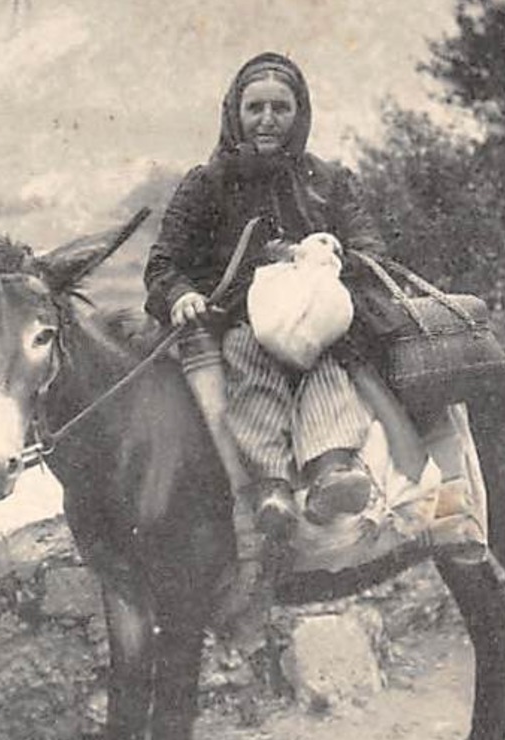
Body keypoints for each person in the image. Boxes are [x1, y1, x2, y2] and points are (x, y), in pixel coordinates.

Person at [145, 52, 388, 541]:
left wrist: (329, 259)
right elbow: (163, 264)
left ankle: (332, 470)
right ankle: (272, 486)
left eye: (281, 108)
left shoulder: (329, 182)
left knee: (328, 359)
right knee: (245, 354)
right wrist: (182, 296)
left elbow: (371, 249)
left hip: (316, 321)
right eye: (255, 108)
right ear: (235, 113)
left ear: (301, 114)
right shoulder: (206, 185)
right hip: (239, 322)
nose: (267, 120)